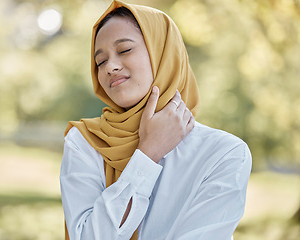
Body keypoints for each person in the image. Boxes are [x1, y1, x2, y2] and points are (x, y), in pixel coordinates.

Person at [60, 1, 252, 239]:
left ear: (164, 54)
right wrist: (148, 153)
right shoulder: (86, 142)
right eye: (100, 62)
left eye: (125, 50)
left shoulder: (223, 154)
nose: (110, 67)